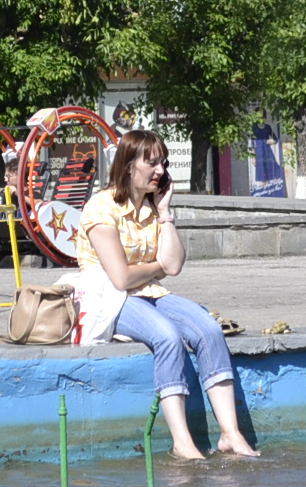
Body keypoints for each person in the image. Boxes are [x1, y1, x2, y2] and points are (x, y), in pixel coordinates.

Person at [74, 128, 260, 460]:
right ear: (129, 165)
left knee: (208, 329)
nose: (160, 170)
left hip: (150, 292)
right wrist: (155, 266)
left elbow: (173, 266)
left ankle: (230, 434)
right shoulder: (101, 209)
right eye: (152, 163)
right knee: (168, 337)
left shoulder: (151, 208)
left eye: (163, 163)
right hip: (109, 299)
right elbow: (118, 279)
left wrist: (164, 212)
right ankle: (182, 442)